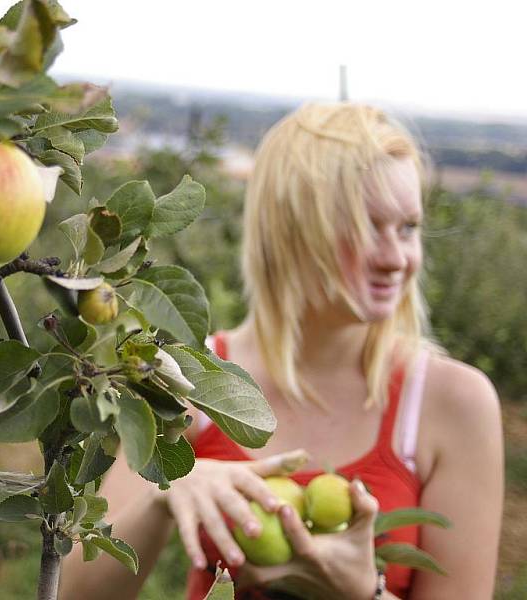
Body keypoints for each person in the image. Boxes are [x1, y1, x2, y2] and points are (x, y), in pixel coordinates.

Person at [59, 102, 504, 600]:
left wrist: (365, 593)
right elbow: (76, 593)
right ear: (292, 233)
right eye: (365, 228)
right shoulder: (190, 377)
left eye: (408, 228)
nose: (396, 258)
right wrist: (166, 494)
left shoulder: (452, 404)